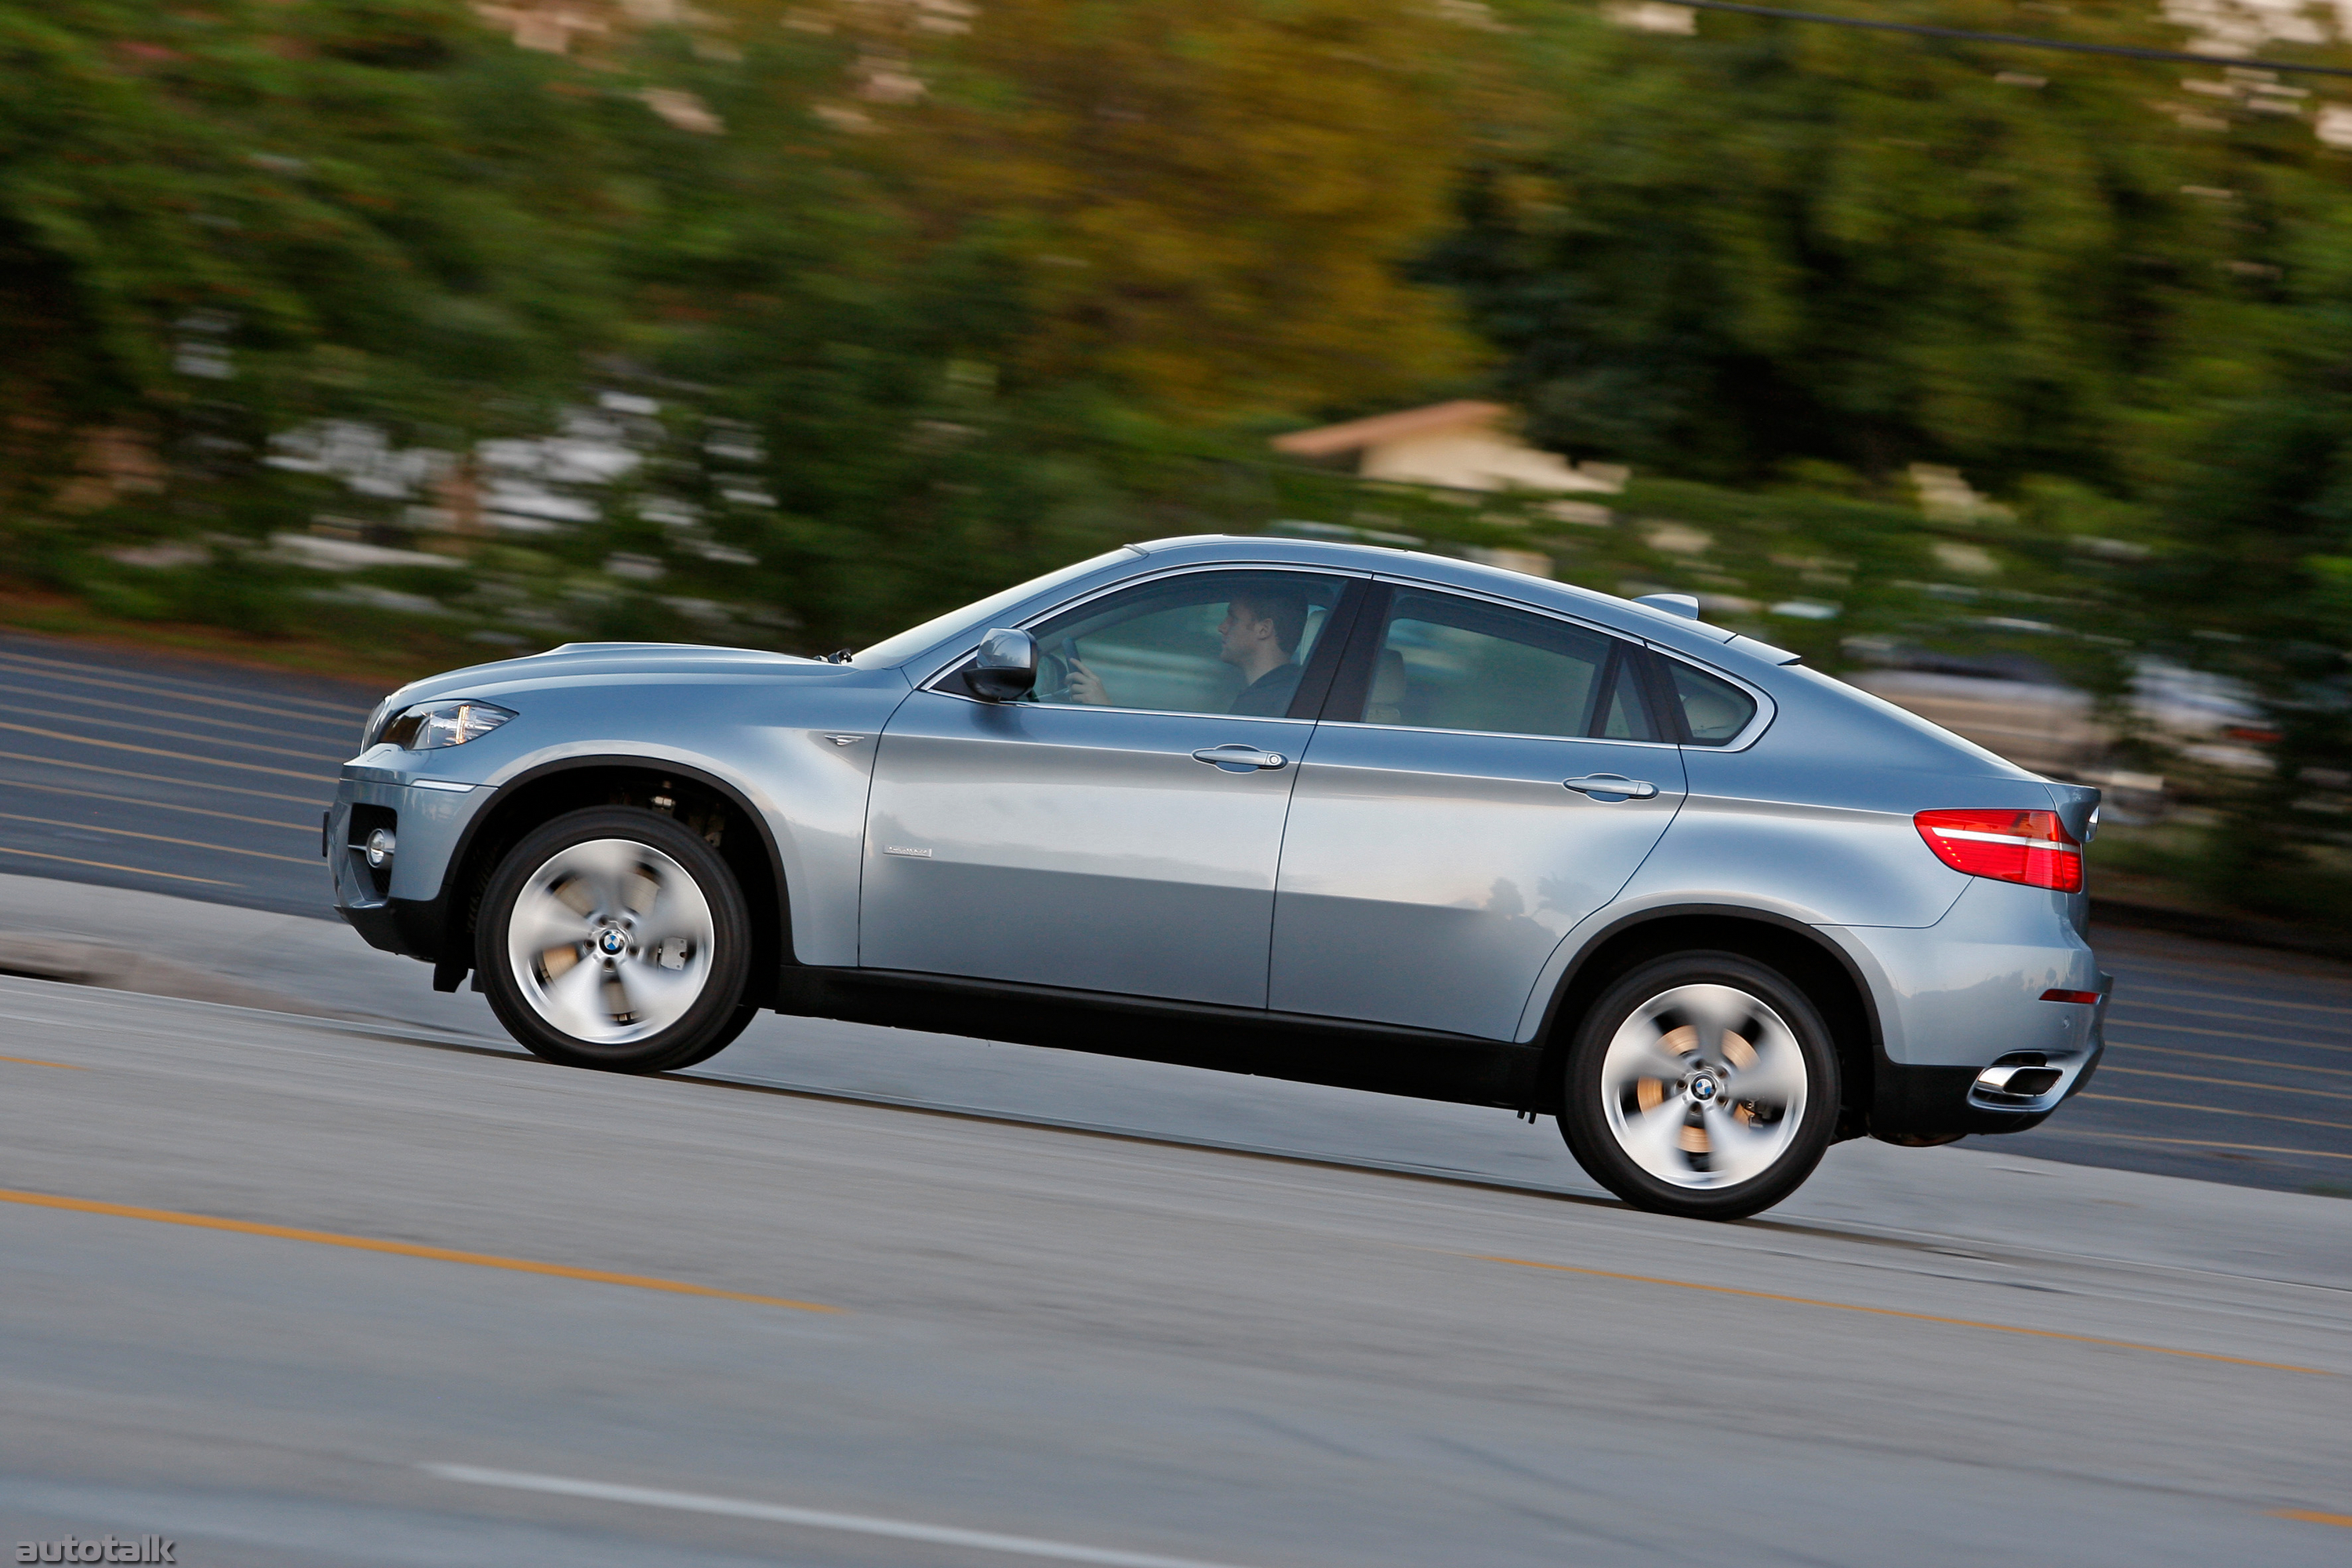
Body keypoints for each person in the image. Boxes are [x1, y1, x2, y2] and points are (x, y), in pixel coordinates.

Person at [1066, 587, 1309, 715]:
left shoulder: (1272, 703)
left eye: (1232, 618)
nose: (1221, 627)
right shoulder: (1280, 693)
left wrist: (1106, 713)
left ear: (1264, 629)